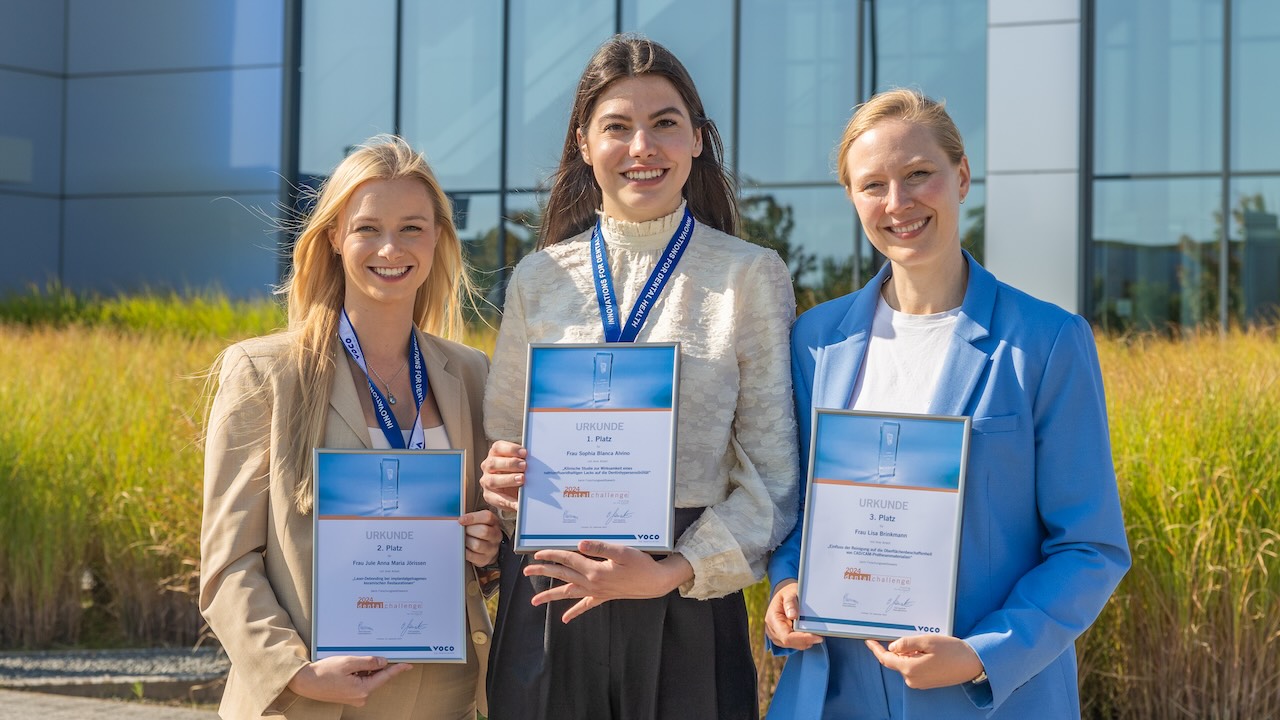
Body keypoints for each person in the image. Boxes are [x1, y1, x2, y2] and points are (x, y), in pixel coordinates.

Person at [763, 88, 1131, 719]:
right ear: (852, 198)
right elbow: (798, 512)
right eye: (873, 184)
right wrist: (788, 586)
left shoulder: (1046, 342)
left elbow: (1090, 548)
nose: (898, 203)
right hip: (833, 691)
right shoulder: (816, 341)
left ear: (961, 176)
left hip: (981, 698)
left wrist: (985, 653)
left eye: (919, 175)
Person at [479, 34, 799, 720]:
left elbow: (774, 480)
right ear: (585, 144)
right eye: (617, 127)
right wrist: (504, 477)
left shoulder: (750, 276)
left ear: (697, 142)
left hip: (680, 599)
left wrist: (672, 573)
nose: (642, 147)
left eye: (664, 125)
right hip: (550, 595)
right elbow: (504, 444)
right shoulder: (540, 280)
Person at [199, 136, 501, 719]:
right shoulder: (264, 373)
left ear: (438, 238)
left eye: (413, 227)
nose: (391, 247)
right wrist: (295, 672)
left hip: (442, 697)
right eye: (367, 228)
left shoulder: (469, 373)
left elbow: (484, 550)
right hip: (314, 699)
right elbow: (227, 564)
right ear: (334, 237)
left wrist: (487, 547)